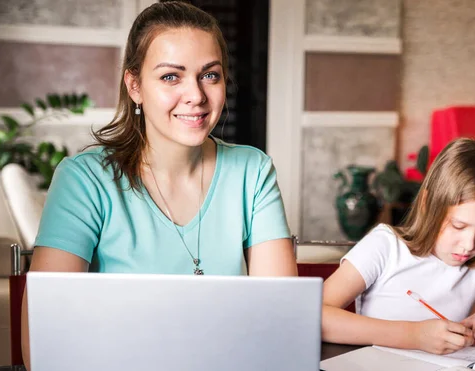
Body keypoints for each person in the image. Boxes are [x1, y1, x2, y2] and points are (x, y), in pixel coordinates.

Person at [21, 1, 297, 367]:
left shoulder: (253, 170)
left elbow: (280, 320)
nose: (196, 95)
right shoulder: (84, 179)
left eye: (210, 75)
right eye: (171, 76)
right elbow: (43, 341)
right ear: (134, 85)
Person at [321, 138, 475, 355]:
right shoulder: (385, 247)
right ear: (428, 204)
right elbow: (316, 316)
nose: (469, 245)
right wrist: (413, 336)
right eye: (458, 225)